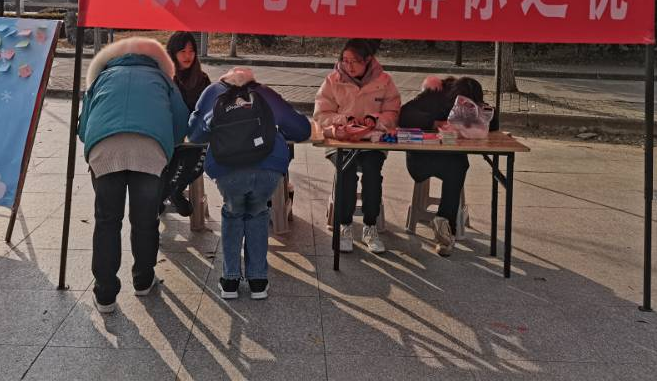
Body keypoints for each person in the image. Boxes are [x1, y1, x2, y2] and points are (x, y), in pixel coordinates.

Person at [77, 37, 189, 312]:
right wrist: (167, 146)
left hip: (105, 149)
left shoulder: (102, 78)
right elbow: (181, 122)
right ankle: (143, 280)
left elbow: (83, 127)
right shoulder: (163, 80)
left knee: (107, 221)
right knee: (145, 220)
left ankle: (105, 294)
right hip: (150, 150)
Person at [189, 67, 310, 300]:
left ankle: (230, 281)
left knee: (233, 213)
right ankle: (258, 282)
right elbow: (301, 129)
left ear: (225, 78)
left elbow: (195, 135)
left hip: (227, 169)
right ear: (252, 79)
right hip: (267, 168)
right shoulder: (264, 93)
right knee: (257, 212)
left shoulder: (212, 92)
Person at [314, 38, 401, 254]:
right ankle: (344, 226)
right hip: (341, 141)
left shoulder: (384, 80)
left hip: (372, 141)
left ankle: (370, 226)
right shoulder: (333, 80)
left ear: (368, 60)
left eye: (354, 61)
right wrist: (344, 120)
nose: (348, 66)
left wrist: (375, 120)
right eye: (345, 60)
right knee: (346, 171)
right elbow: (321, 114)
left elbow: (393, 112)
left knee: (372, 173)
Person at [401, 75, 484, 257]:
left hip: (450, 161)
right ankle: (445, 227)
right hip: (420, 159)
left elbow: (493, 123)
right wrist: (435, 122)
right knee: (458, 164)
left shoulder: (472, 105)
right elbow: (404, 114)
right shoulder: (435, 93)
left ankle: (444, 225)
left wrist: (477, 119)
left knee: (458, 164)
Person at [159, 32, 211, 216]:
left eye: (191, 51)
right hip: (167, 134)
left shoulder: (202, 79)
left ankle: (173, 191)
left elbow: (208, 110)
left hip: (192, 136)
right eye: (182, 51)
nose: (188, 55)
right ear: (172, 53)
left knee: (201, 154)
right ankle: (168, 193)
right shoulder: (163, 77)